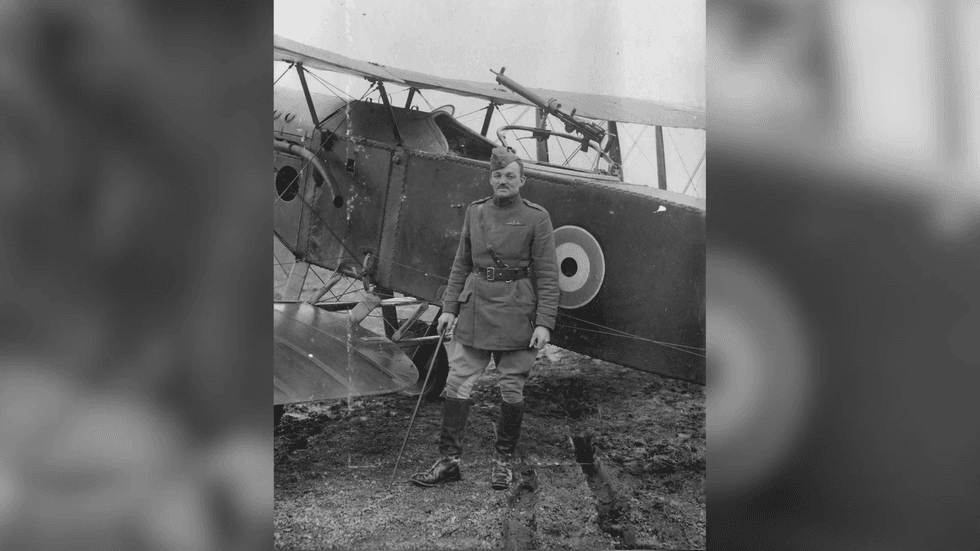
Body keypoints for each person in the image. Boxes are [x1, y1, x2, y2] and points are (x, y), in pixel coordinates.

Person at [410, 146, 560, 490]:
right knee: (457, 382)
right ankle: (449, 462)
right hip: (475, 307)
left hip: (517, 310)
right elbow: (461, 263)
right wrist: (449, 308)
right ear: (490, 179)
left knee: (511, 388)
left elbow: (548, 275)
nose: (503, 180)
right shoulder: (475, 212)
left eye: (510, 175)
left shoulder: (537, 217)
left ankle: (503, 463)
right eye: (497, 175)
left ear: (522, 180)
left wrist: (544, 323)